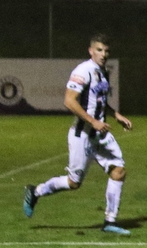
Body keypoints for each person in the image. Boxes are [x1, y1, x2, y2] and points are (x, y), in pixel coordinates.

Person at [23, 34, 133, 236]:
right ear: (91, 51)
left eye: (106, 51)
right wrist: (93, 121)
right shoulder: (83, 71)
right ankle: (35, 191)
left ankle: (109, 221)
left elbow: (99, 102)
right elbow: (69, 101)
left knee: (119, 171)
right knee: (74, 183)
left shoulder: (103, 72)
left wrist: (116, 115)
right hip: (82, 135)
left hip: (101, 134)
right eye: (99, 50)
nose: (104, 54)